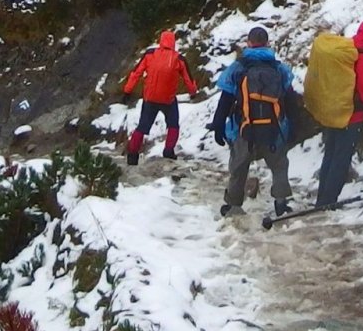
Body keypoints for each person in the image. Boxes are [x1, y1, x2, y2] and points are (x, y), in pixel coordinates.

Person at [208, 26, 295, 217]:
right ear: (267, 43)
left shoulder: (238, 68)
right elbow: (290, 100)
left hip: (244, 128)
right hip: (274, 129)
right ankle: (281, 203)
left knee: (238, 167)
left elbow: (226, 100)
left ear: (248, 43)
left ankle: (233, 206)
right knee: (279, 165)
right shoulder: (279, 69)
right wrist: (292, 126)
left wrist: (218, 125)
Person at [314, 20, 363, 207]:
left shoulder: (345, 51)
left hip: (332, 111)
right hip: (352, 115)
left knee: (330, 154)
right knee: (341, 159)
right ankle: (328, 201)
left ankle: (322, 198)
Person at [121, 30, 198, 165]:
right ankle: (168, 151)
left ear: (160, 41)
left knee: (142, 127)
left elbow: (136, 73)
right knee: (173, 124)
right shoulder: (178, 59)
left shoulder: (150, 54)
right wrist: (193, 93)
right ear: (173, 42)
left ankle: (132, 155)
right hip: (168, 99)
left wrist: (127, 91)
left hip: (149, 98)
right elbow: (188, 79)